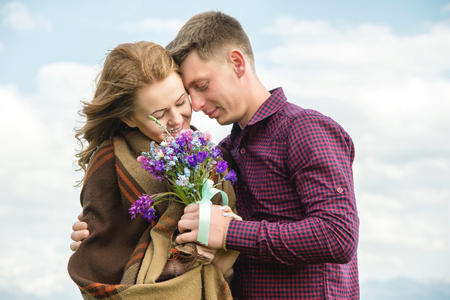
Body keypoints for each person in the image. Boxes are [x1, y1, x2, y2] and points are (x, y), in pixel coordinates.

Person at [72, 11, 360, 299]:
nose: (195, 105)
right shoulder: (218, 156)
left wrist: (230, 232)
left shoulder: (305, 129)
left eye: (202, 86)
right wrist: (102, 241)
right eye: (189, 92)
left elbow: (338, 235)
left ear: (237, 62)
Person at [67, 41, 239, 300]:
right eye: (159, 114)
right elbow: (97, 262)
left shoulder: (213, 156)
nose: (177, 119)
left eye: (181, 101)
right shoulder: (111, 162)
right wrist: (179, 265)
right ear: (129, 118)